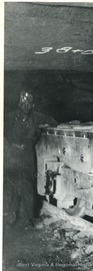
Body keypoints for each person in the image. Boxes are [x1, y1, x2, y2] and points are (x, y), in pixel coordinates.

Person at [4, 90, 58, 228]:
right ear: (19, 104)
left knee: (28, 188)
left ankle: (27, 219)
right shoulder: (10, 117)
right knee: (12, 187)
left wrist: (43, 127)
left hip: (27, 158)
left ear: (32, 105)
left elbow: (52, 121)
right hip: (12, 157)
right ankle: (11, 217)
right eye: (23, 103)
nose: (25, 106)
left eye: (28, 103)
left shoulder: (37, 117)